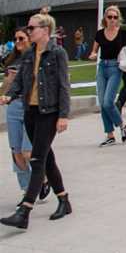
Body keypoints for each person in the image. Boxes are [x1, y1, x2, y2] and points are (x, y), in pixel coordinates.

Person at [0, 13, 72, 230]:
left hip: (48, 112)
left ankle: (25, 210)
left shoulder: (57, 53)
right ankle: (64, 200)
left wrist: (63, 115)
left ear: (45, 30)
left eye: (32, 28)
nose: (28, 32)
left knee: (37, 159)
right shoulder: (30, 53)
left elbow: (63, 85)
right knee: (47, 158)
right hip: (30, 112)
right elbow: (21, 80)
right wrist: (9, 95)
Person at [88, 6, 126, 147]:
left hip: (115, 68)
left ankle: (122, 125)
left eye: (115, 17)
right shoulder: (100, 34)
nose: (112, 20)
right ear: (105, 18)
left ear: (118, 19)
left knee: (108, 102)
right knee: (102, 103)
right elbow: (94, 50)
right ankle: (110, 135)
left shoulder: (123, 33)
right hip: (102, 68)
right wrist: (93, 55)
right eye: (110, 17)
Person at [1, 29, 43, 199]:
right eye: (16, 38)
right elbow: (4, 91)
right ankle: (27, 189)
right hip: (13, 107)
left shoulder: (36, 58)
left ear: (29, 39)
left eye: (22, 38)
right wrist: (8, 83)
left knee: (27, 151)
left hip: (30, 107)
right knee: (16, 152)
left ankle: (43, 179)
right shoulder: (11, 61)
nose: (18, 41)